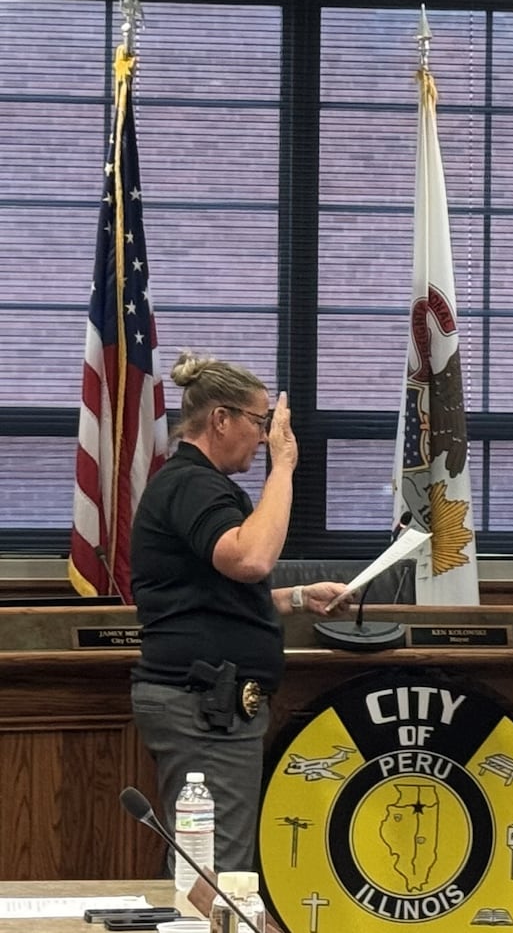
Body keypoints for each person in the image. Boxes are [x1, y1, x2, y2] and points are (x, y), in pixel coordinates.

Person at [130, 350, 349, 873]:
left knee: (206, 865)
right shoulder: (192, 483)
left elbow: (206, 593)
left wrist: (296, 598)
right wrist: (285, 467)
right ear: (221, 419)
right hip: (203, 703)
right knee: (215, 873)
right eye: (260, 421)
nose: (265, 434)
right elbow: (251, 558)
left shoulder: (195, 484)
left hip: (208, 700)